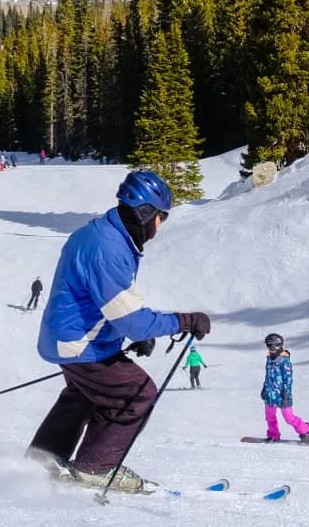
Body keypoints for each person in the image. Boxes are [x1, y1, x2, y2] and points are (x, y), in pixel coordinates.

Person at [27, 171, 212, 493]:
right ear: (145, 212)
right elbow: (133, 320)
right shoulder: (108, 249)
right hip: (79, 343)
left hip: (70, 338)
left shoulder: (103, 235)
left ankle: (45, 457)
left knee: (85, 393)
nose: (160, 225)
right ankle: (95, 468)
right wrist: (184, 320)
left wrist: (129, 333)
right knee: (137, 392)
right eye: (161, 216)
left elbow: (102, 303)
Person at [261, 333, 309, 444]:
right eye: (267, 346)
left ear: (277, 346)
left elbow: (288, 380)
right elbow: (268, 376)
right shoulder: (269, 360)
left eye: (271, 346)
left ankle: (305, 431)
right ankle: (273, 435)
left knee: (289, 418)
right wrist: (264, 389)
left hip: (283, 395)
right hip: (270, 394)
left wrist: (286, 394)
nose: (269, 349)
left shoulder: (284, 362)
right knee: (270, 417)